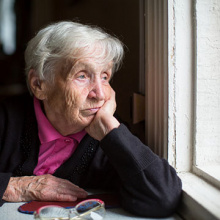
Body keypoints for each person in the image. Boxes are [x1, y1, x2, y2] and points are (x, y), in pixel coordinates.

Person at [0, 21, 182, 217]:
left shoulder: (108, 135)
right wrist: (16, 186)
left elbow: (163, 197)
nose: (100, 94)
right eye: (82, 76)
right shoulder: (6, 119)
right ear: (39, 85)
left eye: (104, 76)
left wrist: (110, 130)